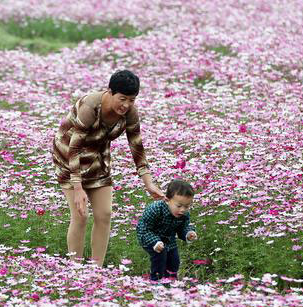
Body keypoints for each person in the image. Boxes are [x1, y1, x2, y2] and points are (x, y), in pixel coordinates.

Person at [53, 70, 164, 266]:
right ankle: (75, 270)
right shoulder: (89, 107)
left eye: (132, 99)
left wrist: (148, 182)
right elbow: (75, 146)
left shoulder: (130, 112)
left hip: (98, 157)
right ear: (110, 92)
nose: (126, 105)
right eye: (122, 99)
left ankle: (96, 271)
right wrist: (77, 188)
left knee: (104, 214)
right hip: (69, 156)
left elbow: (136, 145)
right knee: (80, 215)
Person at [136, 179, 198, 281]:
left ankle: (171, 282)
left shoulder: (184, 214)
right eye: (179, 206)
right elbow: (144, 229)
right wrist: (155, 242)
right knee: (160, 256)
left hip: (169, 239)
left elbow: (183, 228)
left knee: (174, 261)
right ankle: (156, 281)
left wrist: (188, 233)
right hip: (149, 235)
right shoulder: (155, 209)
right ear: (167, 200)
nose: (182, 210)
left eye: (186, 206)